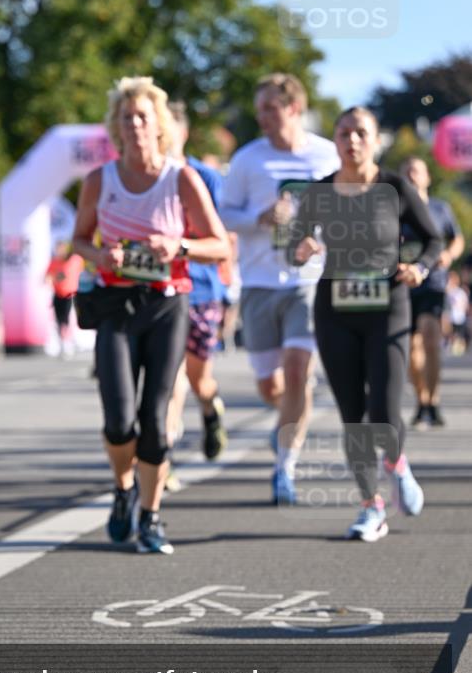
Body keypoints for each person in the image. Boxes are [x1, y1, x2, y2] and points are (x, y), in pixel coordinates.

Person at [72, 76, 229, 555]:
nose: (135, 125)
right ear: (116, 127)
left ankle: (152, 513)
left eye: (143, 116)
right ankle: (123, 491)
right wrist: (101, 257)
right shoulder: (101, 179)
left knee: (155, 420)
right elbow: (78, 241)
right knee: (120, 419)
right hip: (116, 306)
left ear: (159, 124)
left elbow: (219, 245)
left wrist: (178, 244)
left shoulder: (181, 178)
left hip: (166, 305)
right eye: (126, 117)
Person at [289, 107, 442, 542]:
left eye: (361, 133)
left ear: (375, 140)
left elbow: (432, 239)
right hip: (335, 310)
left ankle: (397, 464)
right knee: (352, 417)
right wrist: (300, 247)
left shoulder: (395, 187)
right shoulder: (319, 192)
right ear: (334, 141)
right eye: (343, 133)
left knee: (384, 412)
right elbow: (295, 244)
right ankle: (370, 506)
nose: (351, 140)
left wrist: (419, 268)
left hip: (387, 308)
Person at [219, 73, 340, 504]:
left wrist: (321, 241)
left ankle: (284, 468)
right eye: (259, 110)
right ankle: (286, 422)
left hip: (307, 281)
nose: (262, 118)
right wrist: (260, 218)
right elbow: (223, 216)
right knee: (270, 386)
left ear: (293, 108)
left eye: (270, 108)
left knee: (296, 372)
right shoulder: (249, 159)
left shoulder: (327, 156)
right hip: (258, 281)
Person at [165, 101, 228, 464]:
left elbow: (221, 241)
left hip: (202, 291)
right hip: (163, 292)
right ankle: (163, 459)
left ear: (183, 132)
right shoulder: (142, 178)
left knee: (198, 380)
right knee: (169, 383)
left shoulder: (206, 177)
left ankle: (210, 408)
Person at [398, 157, 464, 427]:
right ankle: (421, 399)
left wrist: (448, 254)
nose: (412, 177)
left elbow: (456, 238)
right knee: (411, 348)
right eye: (407, 173)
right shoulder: (395, 210)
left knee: (430, 336)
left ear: (427, 177)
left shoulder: (440, 208)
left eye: (417, 172)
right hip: (403, 283)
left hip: (433, 282)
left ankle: (433, 401)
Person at [46, 240, 84, 358]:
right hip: (58, 295)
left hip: (72, 295)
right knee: (59, 320)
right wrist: (54, 279)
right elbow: (48, 276)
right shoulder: (54, 262)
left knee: (70, 320)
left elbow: (85, 273)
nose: (60, 251)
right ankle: (61, 343)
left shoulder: (76, 260)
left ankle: (69, 343)